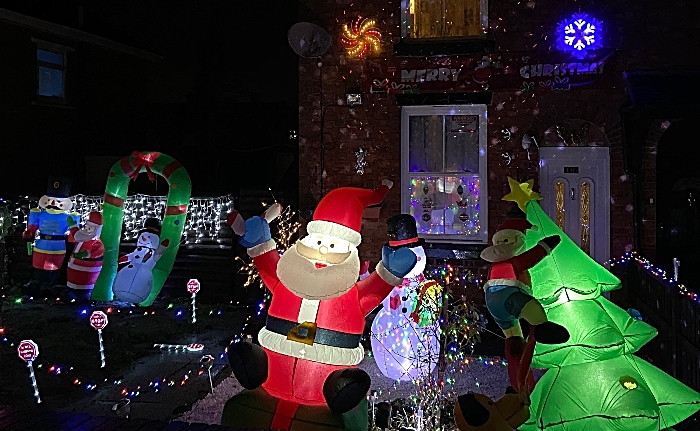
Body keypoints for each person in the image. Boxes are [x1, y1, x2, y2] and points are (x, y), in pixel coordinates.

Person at [226, 180, 419, 418]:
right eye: (318, 243)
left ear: (349, 251)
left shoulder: (350, 293)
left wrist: (388, 274)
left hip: (325, 378)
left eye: (332, 245)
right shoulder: (288, 277)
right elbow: (269, 268)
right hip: (274, 368)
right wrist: (261, 243)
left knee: (341, 387)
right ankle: (255, 368)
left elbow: (371, 292)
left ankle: (339, 389)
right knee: (249, 359)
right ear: (308, 240)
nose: (323, 252)